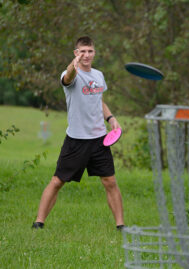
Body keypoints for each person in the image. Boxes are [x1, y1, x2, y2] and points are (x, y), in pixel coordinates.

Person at [32, 36, 125, 231]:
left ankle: (121, 226)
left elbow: (98, 101)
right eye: (82, 51)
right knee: (58, 181)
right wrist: (73, 65)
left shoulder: (99, 75)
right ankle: (38, 222)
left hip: (99, 139)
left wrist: (111, 119)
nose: (86, 55)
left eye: (90, 51)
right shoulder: (70, 75)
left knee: (110, 181)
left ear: (94, 53)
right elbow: (68, 77)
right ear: (76, 53)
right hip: (76, 140)